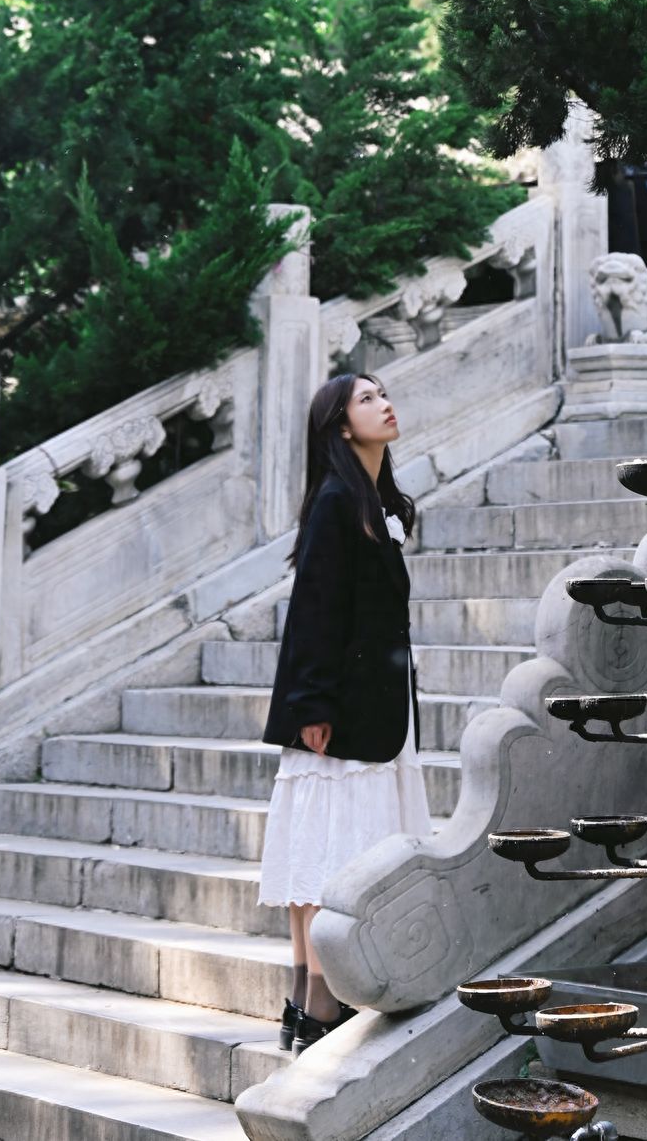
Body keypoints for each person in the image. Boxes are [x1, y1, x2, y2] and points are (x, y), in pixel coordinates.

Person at [258, 372, 430, 1055]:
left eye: (386, 392)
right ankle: (318, 1004)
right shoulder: (337, 501)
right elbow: (315, 608)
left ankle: (306, 1004)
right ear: (339, 426)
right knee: (328, 853)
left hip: (372, 705)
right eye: (366, 398)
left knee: (322, 852)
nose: (385, 402)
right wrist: (311, 704)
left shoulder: (373, 503)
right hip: (342, 713)